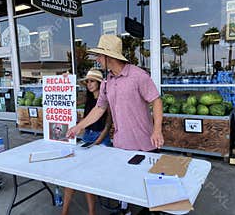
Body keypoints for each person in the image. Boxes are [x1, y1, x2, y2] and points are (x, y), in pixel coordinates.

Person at [66, 34, 164, 214]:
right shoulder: (107, 82)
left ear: (109, 56)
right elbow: (99, 108)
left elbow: (156, 101)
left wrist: (157, 130)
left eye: (99, 55)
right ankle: (125, 210)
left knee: (148, 187)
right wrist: (79, 126)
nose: (97, 59)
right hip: (121, 144)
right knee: (125, 182)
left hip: (144, 143)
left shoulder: (138, 76)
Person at [62, 68, 112, 215]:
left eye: (92, 81)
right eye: (87, 81)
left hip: (101, 139)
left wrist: (97, 142)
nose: (89, 84)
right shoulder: (88, 97)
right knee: (72, 174)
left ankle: (91, 213)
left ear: (99, 82)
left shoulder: (106, 99)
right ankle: (64, 212)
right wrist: (66, 81)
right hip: (86, 137)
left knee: (86, 176)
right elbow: (70, 98)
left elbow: (108, 125)